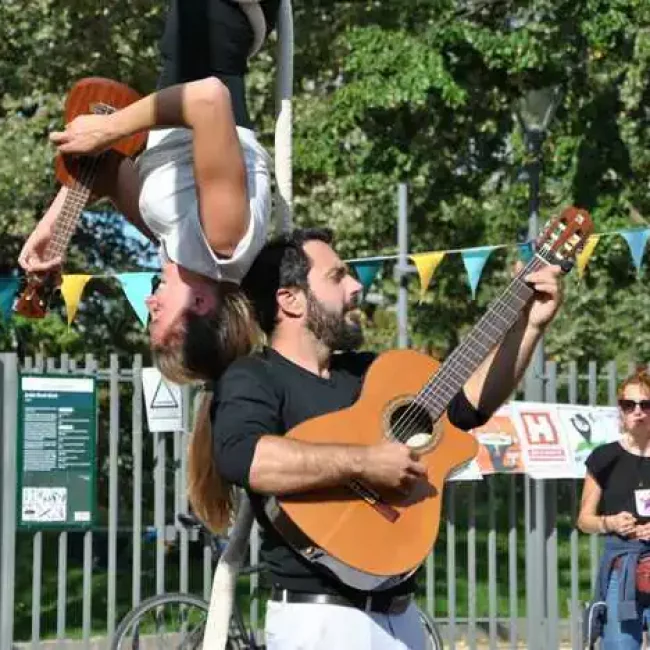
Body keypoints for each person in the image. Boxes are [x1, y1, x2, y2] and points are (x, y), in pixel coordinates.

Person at [195, 227, 564, 649]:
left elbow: (467, 406)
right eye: (337, 277)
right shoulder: (254, 375)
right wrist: (366, 461)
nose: (357, 287)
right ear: (290, 300)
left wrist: (528, 327)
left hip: (401, 615)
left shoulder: (370, 372)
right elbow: (246, 458)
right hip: (320, 621)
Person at [18, 0, 281, 383]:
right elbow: (208, 99)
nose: (149, 302)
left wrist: (54, 229)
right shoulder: (223, 243)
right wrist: (110, 130)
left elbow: (107, 172)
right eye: (160, 314)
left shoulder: (177, 248)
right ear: (202, 304)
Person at [578, 367, 650, 649]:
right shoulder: (604, 457)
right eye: (629, 405)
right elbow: (584, 519)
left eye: (646, 404)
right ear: (620, 410)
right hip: (622, 570)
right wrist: (610, 523)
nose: (638, 412)